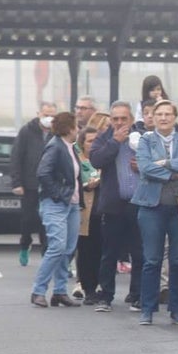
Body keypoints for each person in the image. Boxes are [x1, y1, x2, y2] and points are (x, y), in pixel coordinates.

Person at [131, 99, 178, 326]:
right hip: (151, 207)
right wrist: (171, 174)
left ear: (175, 117)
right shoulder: (145, 141)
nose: (163, 117)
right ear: (153, 116)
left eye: (168, 114)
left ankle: (176, 309)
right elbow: (145, 168)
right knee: (152, 260)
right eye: (159, 114)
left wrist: (166, 162)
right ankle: (147, 309)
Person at [89, 102, 144, 312]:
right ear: (110, 120)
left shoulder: (142, 137)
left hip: (138, 203)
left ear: (130, 119)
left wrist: (143, 165)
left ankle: (137, 295)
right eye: (116, 119)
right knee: (110, 252)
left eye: (124, 118)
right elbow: (96, 160)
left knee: (139, 252)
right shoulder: (104, 139)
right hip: (113, 205)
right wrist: (115, 142)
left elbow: (157, 160)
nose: (120, 122)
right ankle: (106, 296)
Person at [29, 112, 82, 308]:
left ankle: (60, 291)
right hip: (56, 204)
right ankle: (38, 290)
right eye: (77, 126)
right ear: (69, 128)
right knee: (57, 247)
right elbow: (43, 173)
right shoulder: (55, 146)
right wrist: (58, 194)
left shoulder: (69, 147)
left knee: (67, 250)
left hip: (72, 205)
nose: (79, 130)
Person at [11, 102, 56, 266]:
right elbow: (16, 156)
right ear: (39, 114)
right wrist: (16, 182)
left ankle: (46, 251)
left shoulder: (57, 132)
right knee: (28, 219)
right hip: (29, 183)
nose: (48, 118)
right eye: (46, 114)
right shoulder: (27, 131)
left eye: (52, 115)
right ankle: (25, 243)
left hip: (49, 185)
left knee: (47, 219)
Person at [72, 125, 103, 303]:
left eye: (96, 141)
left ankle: (99, 286)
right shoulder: (78, 161)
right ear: (82, 143)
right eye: (90, 141)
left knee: (100, 250)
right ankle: (87, 287)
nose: (93, 144)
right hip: (85, 210)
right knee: (85, 250)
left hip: (103, 209)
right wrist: (86, 185)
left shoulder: (103, 160)